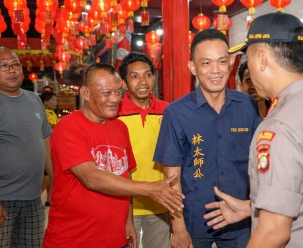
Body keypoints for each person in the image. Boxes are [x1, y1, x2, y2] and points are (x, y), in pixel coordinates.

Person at [204, 12, 303, 247]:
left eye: (249, 56)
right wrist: (252, 208)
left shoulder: (279, 128)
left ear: (262, 58)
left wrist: (265, 221)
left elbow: (274, 233)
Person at [43, 63, 184, 248]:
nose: (115, 99)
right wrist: (150, 189)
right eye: (106, 93)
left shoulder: (120, 128)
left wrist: (128, 221)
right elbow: (90, 177)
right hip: (74, 239)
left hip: (116, 239)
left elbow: (126, 175)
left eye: (118, 92)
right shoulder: (68, 127)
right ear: (85, 93)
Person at [153, 28, 261, 248]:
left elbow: (259, 162)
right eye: (206, 63)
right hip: (194, 221)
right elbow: (172, 175)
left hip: (240, 221)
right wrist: (179, 227)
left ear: (231, 63)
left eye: (221, 62)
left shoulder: (248, 106)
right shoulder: (176, 113)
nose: (215, 71)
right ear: (193, 67)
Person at [0, 46, 53, 247]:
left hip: (33, 198)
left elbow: (46, 143)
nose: (12, 70)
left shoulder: (33, 100)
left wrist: (54, 185)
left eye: (15, 65)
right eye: (4, 66)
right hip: (3, 199)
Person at [117, 52, 170, 248]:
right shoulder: (114, 113)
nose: (143, 81)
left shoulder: (168, 111)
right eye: (134, 76)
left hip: (160, 203)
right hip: (123, 206)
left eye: (147, 75)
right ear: (123, 83)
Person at [40, 91, 59, 207]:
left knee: (51, 175)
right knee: (47, 176)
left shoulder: (51, 112)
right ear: (46, 102)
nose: (56, 102)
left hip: (50, 148)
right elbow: (51, 130)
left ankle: (49, 198)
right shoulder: (46, 113)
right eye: (53, 100)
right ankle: (37, 197)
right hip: (45, 149)